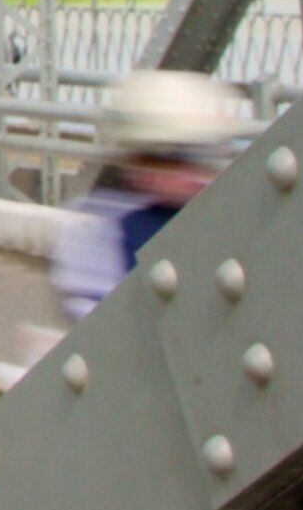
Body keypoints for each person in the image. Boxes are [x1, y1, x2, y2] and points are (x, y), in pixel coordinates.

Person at [50, 69, 244, 321]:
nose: (195, 174)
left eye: (202, 155)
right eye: (176, 158)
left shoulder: (226, 220)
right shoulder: (100, 227)